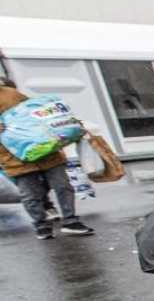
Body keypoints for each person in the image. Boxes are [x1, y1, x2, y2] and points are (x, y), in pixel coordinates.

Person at [0, 79, 95, 240]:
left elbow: (37, 112)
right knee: (30, 195)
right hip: (14, 155)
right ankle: (41, 225)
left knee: (62, 186)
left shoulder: (10, 93)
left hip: (44, 147)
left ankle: (71, 221)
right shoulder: (10, 93)